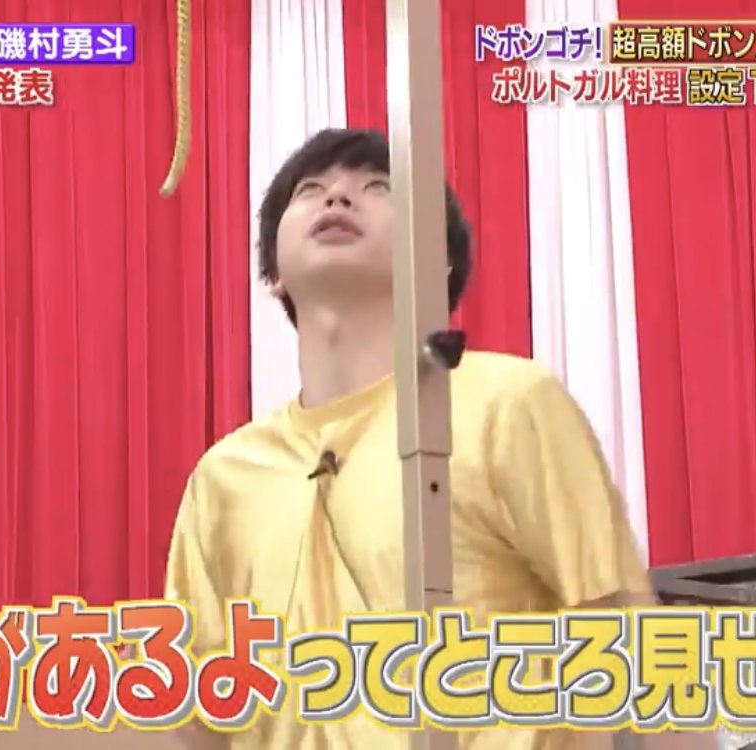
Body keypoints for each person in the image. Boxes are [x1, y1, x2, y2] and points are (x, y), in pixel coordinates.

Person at [164, 128, 714, 749]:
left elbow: (636, 646)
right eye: (310, 190)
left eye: (378, 188)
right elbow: (198, 719)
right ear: (273, 275)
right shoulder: (224, 476)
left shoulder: (507, 402)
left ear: (438, 259)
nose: (338, 197)